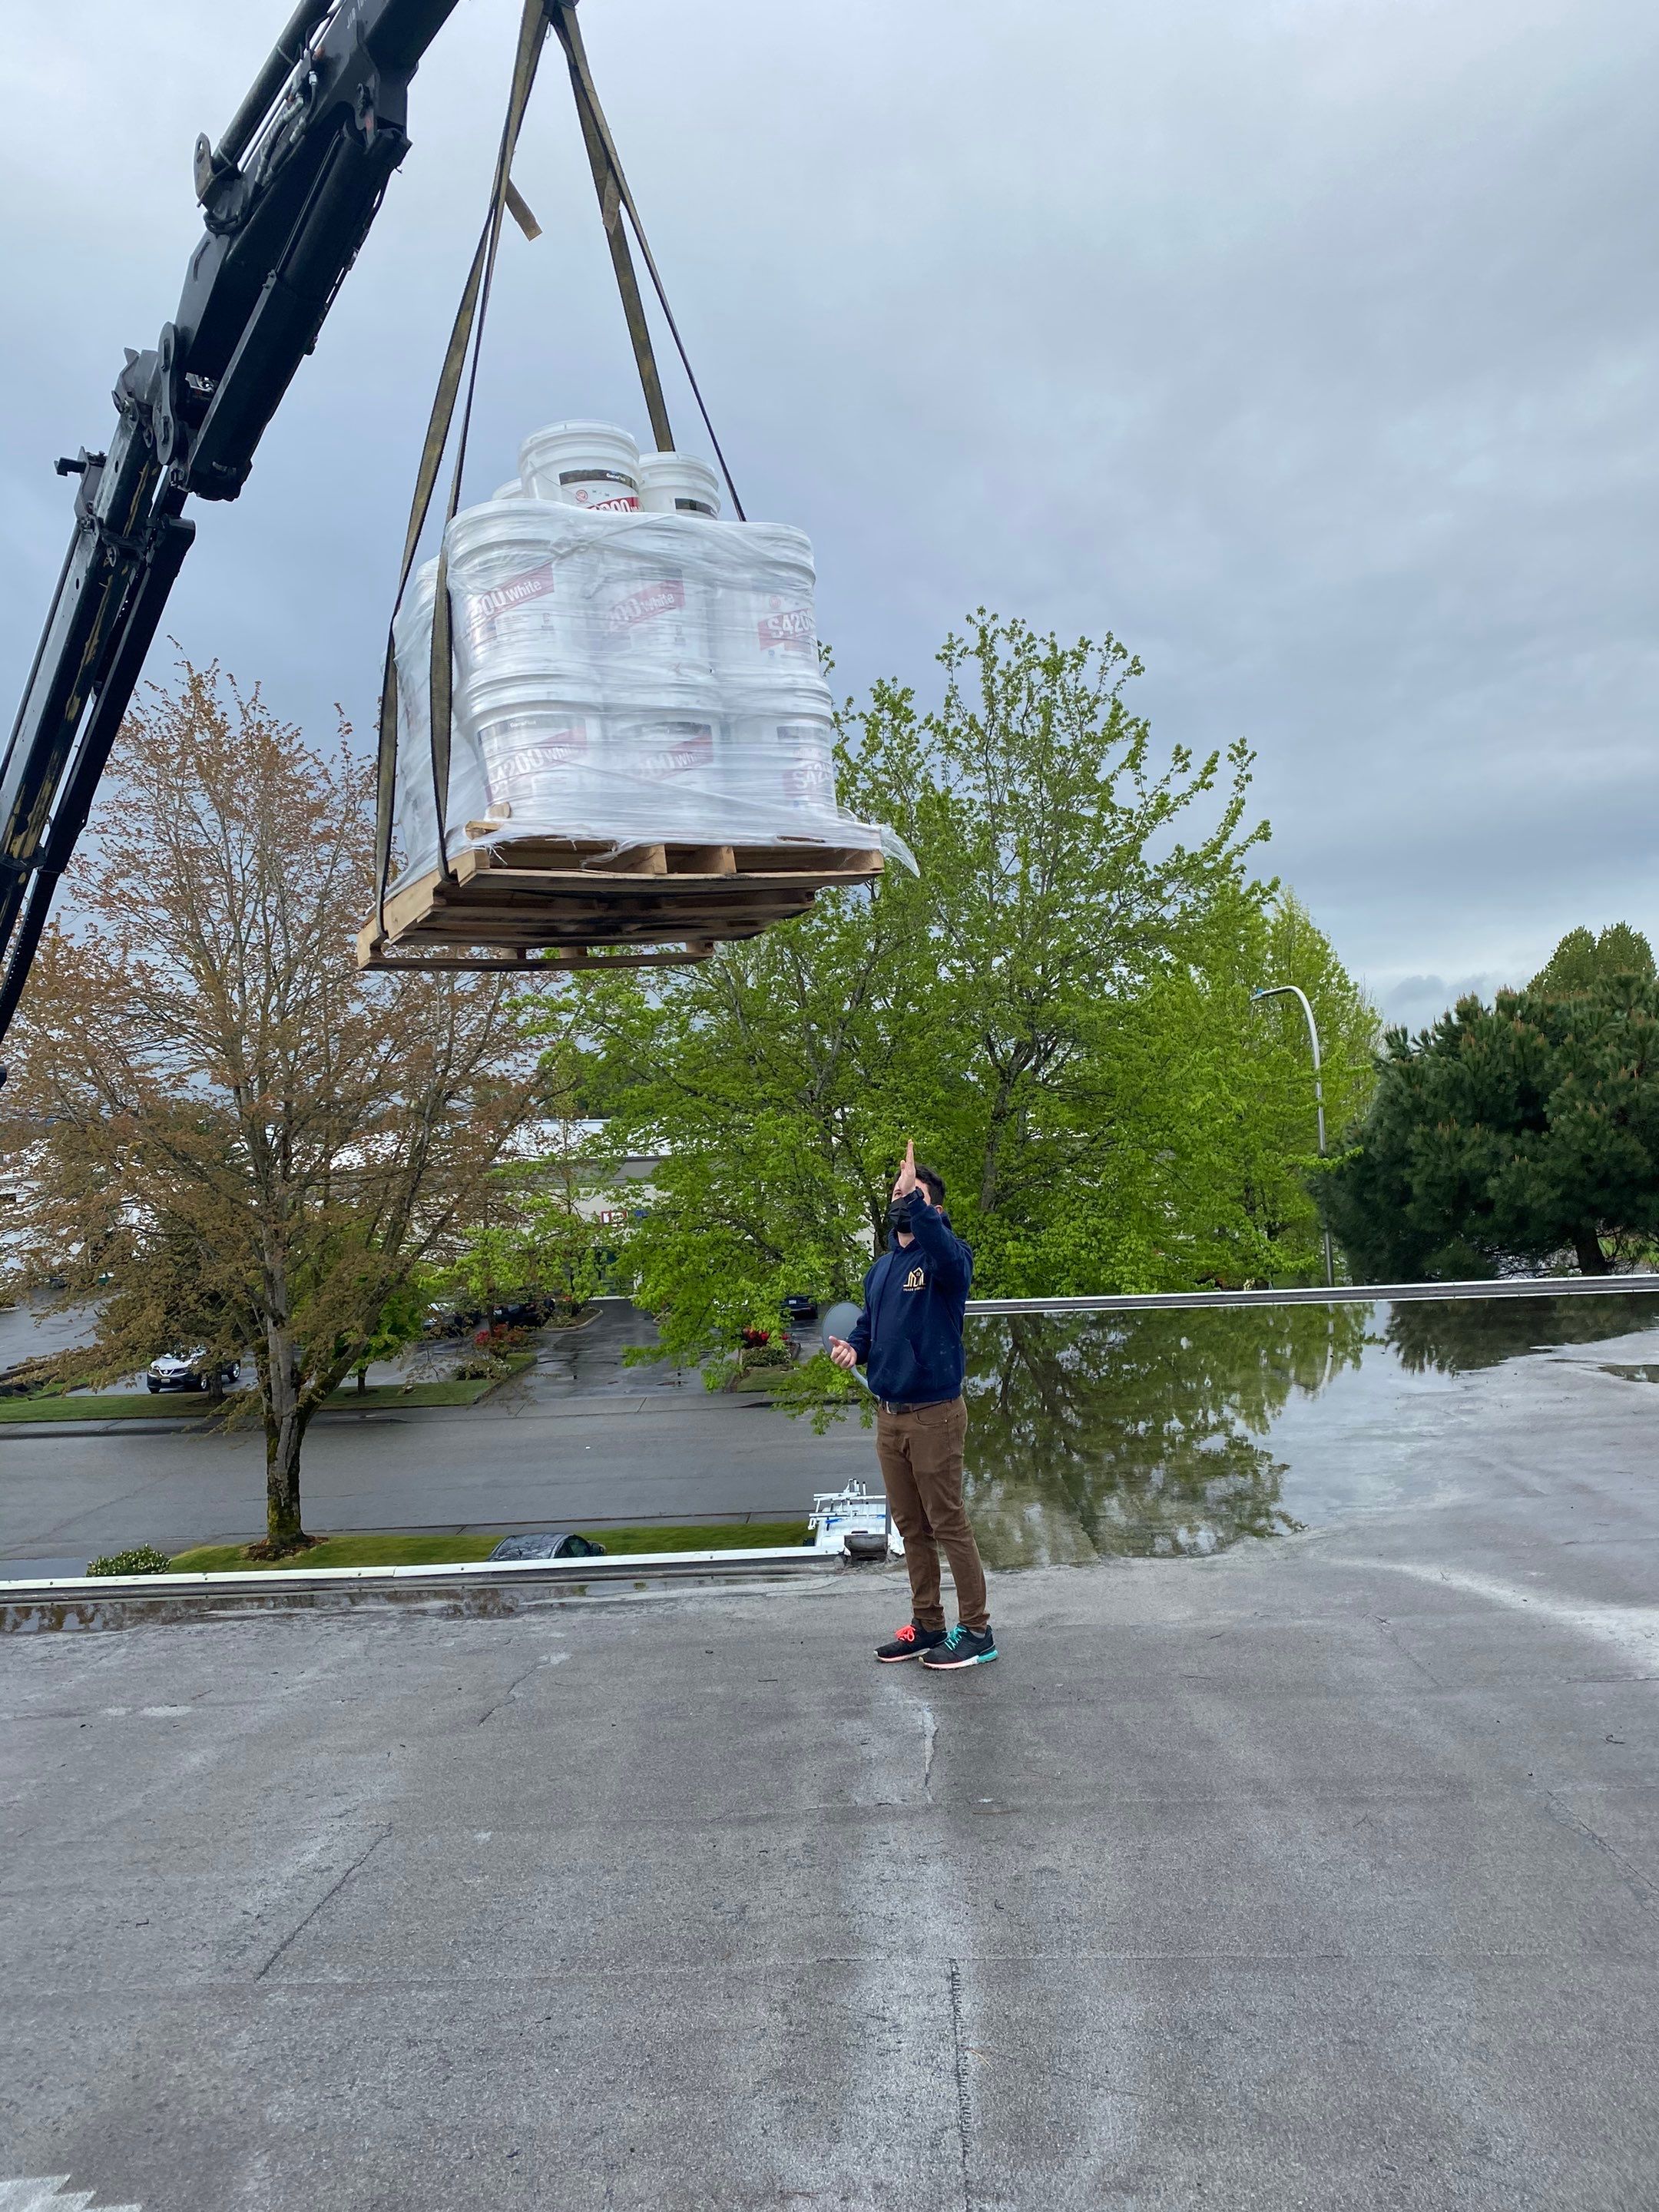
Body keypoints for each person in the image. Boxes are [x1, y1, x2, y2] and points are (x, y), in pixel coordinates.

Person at [829, 1141, 996, 1669]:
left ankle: (977, 1632)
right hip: (890, 1415)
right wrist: (855, 1348)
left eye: (913, 1197)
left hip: (935, 1415)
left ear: (935, 1210)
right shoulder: (880, 1270)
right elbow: (869, 1328)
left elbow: (944, 1251)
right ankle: (928, 1625)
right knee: (911, 1526)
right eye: (898, 1197)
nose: (901, 1203)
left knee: (949, 1523)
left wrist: (920, 1209)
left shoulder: (949, 1260)